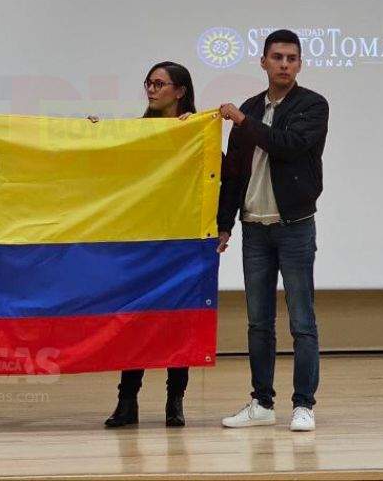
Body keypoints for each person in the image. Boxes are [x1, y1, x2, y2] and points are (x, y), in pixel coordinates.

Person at [217, 29, 329, 433]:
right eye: (277, 57)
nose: (285, 64)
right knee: (258, 322)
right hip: (254, 230)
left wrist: (246, 123)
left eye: (292, 58)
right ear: (263, 62)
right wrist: (224, 224)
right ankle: (262, 402)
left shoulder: (312, 105)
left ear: (300, 64)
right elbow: (233, 174)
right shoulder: (249, 106)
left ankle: (304, 404)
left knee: (302, 319)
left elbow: (288, 145)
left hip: (295, 227)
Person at [92, 61, 203, 429]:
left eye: (159, 84)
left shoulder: (197, 133)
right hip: (139, 243)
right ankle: (127, 401)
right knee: (134, 323)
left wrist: (220, 226)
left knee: (179, 322)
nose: (152, 90)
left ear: (180, 91)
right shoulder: (136, 132)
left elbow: (215, 176)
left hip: (182, 242)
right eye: (149, 83)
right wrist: (92, 136)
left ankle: (175, 401)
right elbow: (114, 172)